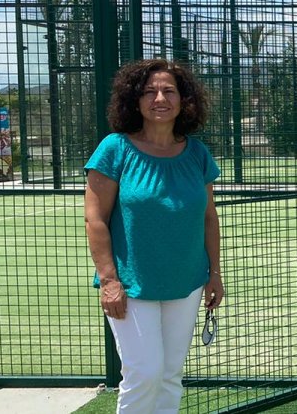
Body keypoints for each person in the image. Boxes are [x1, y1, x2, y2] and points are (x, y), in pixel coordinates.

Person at [84, 59, 223, 413]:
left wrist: (215, 274)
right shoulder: (115, 149)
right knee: (144, 372)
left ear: (184, 100)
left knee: (170, 374)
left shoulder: (197, 153)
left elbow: (209, 217)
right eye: (149, 92)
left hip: (187, 282)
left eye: (168, 91)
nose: (159, 98)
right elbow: (95, 219)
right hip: (131, 286)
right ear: (135, 101)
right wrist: (109, 281)